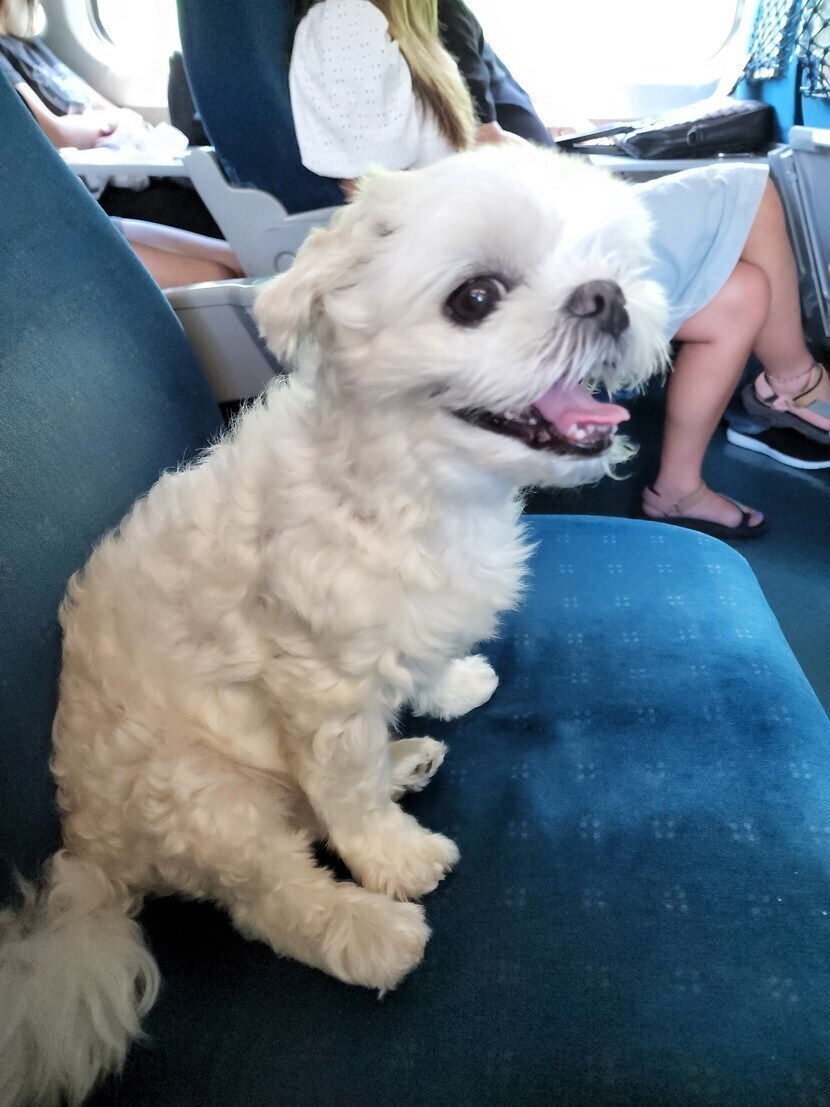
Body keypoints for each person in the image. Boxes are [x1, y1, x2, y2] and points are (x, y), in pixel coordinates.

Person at [289, 0, 830, 536]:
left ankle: (678, 490)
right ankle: (797, 383)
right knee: (750, 189)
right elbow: (373, 199)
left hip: (539, 236)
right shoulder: (351, 20)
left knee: (742, 295)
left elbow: (475, 143)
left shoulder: (427, 19)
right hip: (521, 248)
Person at [0, 0, 243, 287]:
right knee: (218, 276)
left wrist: (106, 122)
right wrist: (103, 123)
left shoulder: (28, 44)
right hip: (86, 194)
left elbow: (114, 111)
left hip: (91, 199)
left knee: (242, 263)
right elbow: (54, 133)